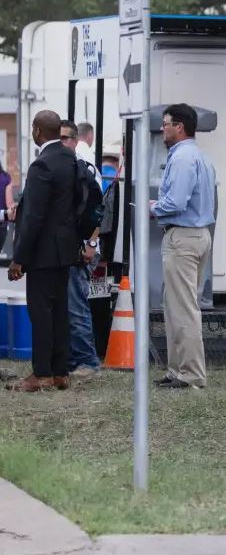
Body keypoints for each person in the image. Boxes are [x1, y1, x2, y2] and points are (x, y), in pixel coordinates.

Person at [6, 111, 80, 392]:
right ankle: (61, 372)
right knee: (60, 310)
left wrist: (19, 258)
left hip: (42, 253)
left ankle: (42, 373)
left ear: (37, 131)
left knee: (41, 312)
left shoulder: (42, 166)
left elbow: (34, 217)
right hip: (65, 250)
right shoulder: (69, 159)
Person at [150, 104, 216, 390]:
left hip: (183, 237)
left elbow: (176, 203)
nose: (162, 129)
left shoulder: (182, 158)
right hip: (198, 234)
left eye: (165, 124)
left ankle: (190, 373)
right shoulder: (200, 157)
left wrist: (152, 208)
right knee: (176, 305)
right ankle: (177, 370)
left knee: (184, 308)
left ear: (179, 126)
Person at [60, 121, 103, 380]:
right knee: (68, 306)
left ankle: (88, 361)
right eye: (59, 138)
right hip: (70, 246)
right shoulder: (67, 167)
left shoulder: (84, 169)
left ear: (76, 141)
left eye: (66, 138)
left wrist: (92, 244)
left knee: (76, 306)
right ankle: (75, 359)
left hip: (83, 246)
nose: (62, 142)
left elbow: (99, 212)